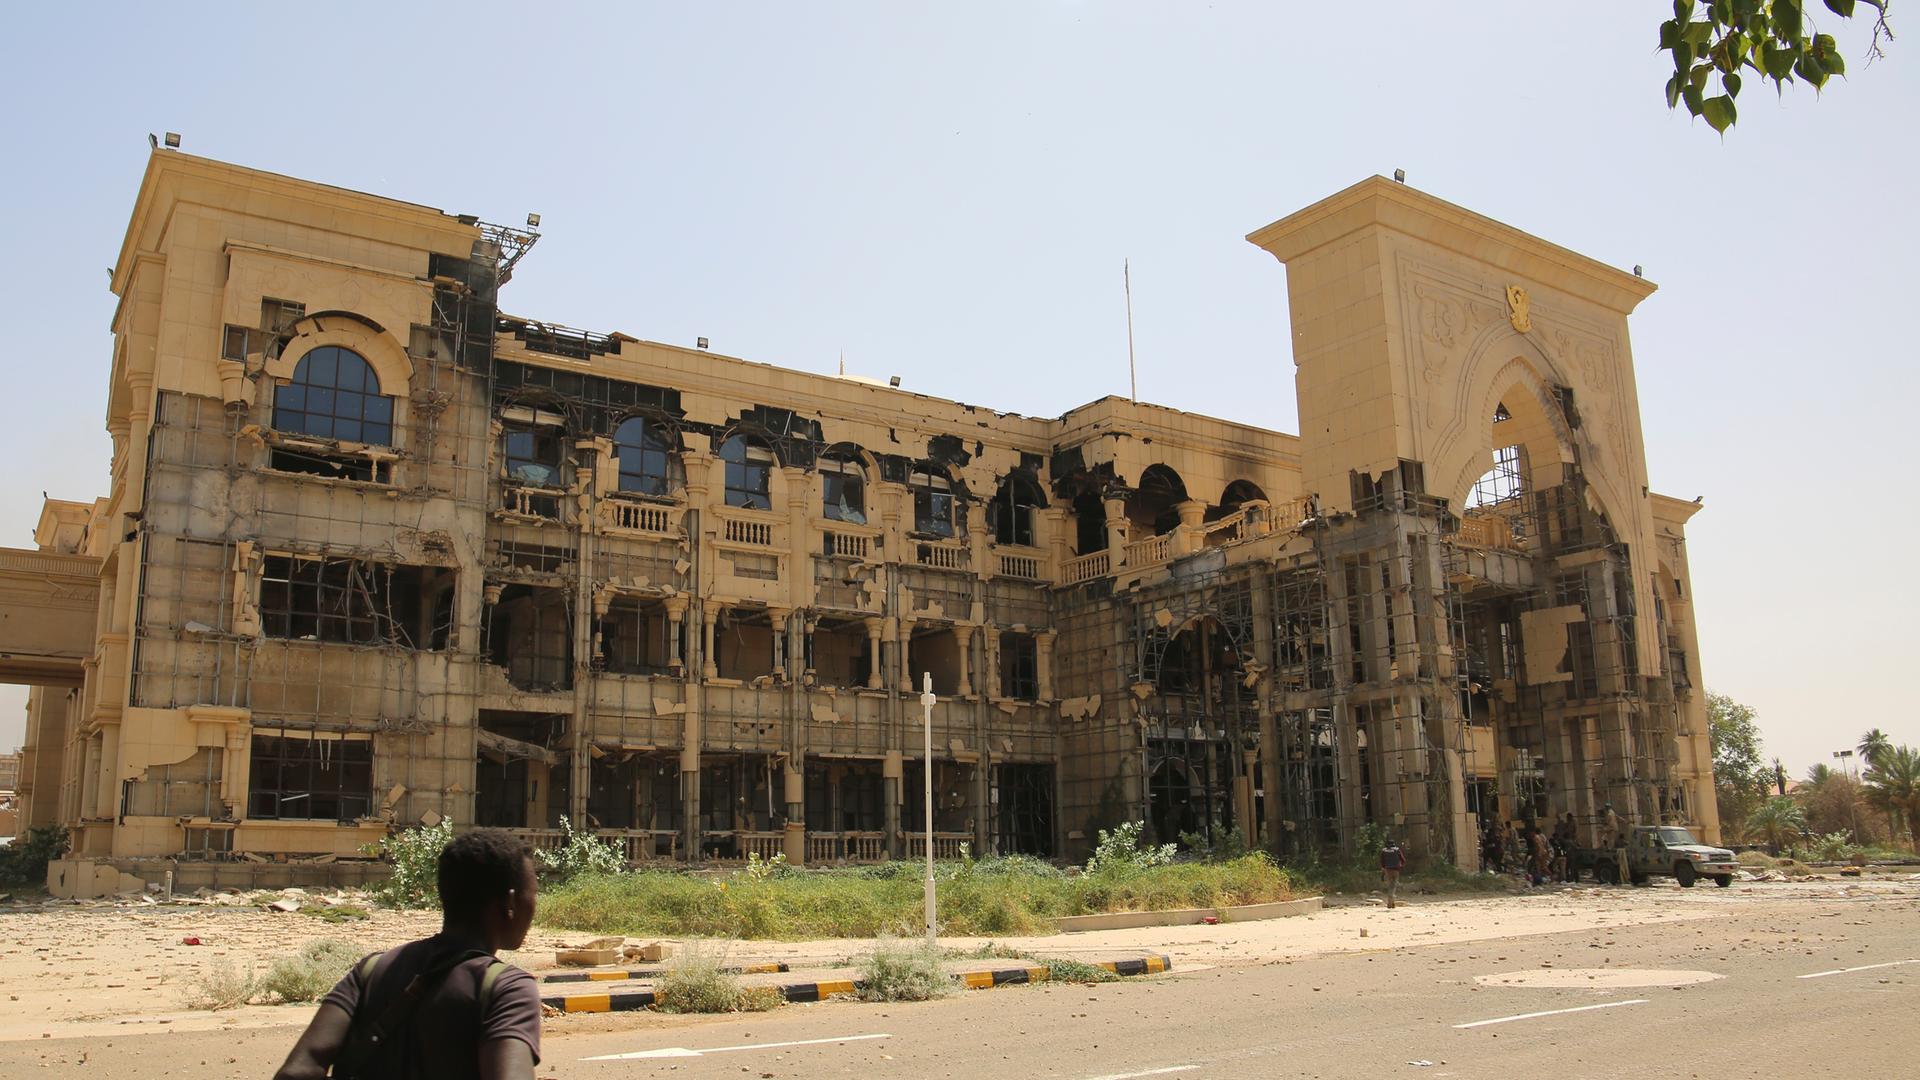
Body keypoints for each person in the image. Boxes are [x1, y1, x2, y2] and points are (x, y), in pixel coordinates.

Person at [273, 829, 543, 1080]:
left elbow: (296, 1070)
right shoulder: (506, 989)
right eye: (533, 894)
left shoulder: (371, 970)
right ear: (509, 902)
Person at [1378, 837, 1406, 909]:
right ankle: (1391, 901)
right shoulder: (1397, 850)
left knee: (1390, 885)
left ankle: (1391, 902)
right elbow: (1403, 860)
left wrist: (1383, 870)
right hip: (1396, 870)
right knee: (1393, 886)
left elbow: (1382, 862)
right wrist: (1401, 867)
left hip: (1387, 870)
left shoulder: (1384, 851)